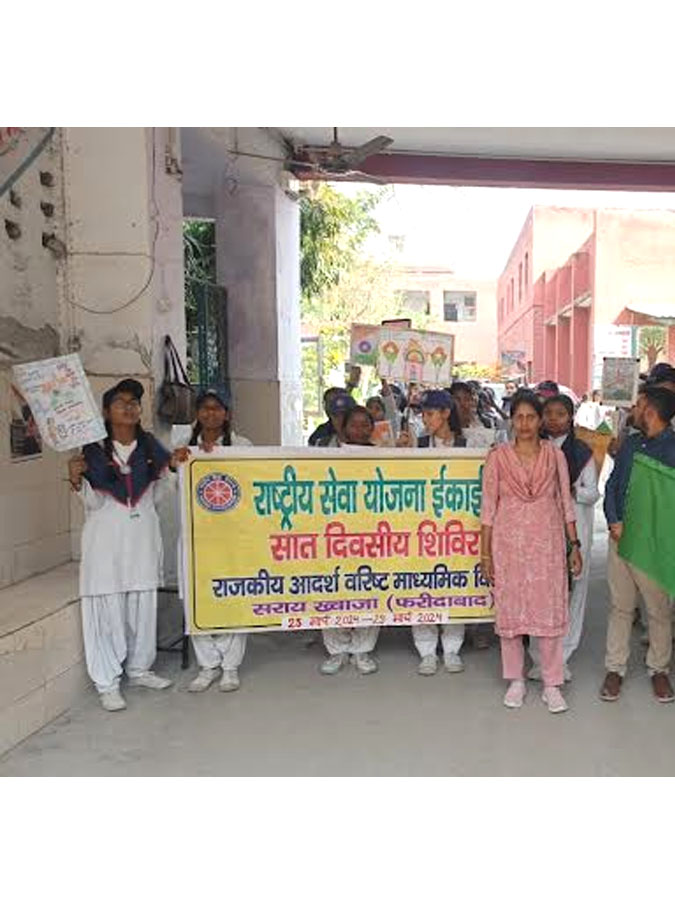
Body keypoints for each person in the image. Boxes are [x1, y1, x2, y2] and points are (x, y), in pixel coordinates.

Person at [67, 379, 183, 712]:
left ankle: (139, 669)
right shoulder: (91, 452)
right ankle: (107, 681)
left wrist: (172, 469)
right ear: (106, 411)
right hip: (105, 542)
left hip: (142, 538)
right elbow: (91, 502)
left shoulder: (151, 448)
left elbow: (161, 493)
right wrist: (76, 478)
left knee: (142, 604)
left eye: (134, 401)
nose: (129, 406)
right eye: (120, 402)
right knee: (107, 607)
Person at [480, 390, 582, 714]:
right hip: (508, 546)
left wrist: (574, 546)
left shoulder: (555, 456)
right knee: (512, 612)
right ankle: (516, 680)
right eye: (519, 417)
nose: (524, 423)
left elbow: (565, 503)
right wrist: (485, 554)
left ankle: (552, 683)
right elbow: (488, 508)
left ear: (540, 421)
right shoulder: (497, 457)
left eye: (531, 417)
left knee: (547, 611)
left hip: (547, 546)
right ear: (511, 420)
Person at [172, 388, 253, 693]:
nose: (210, 413)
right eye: (204, 408)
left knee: (233, 595)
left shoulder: (242, 446)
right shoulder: (183, 447)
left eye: (217, 408)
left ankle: (230, 666)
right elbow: (171, 487)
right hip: (196, 535)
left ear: (227, 413)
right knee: (198, 598)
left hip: (230, 536)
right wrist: (175, 464)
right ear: (197, 413)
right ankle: (207, 665)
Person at [600, 386, 675, 703]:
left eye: (640, 404)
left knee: (658, 611)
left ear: (651, 412)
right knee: (621, 607)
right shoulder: (630, 445)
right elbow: (613, 485)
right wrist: (614, 520)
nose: (634, 407)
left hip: (656, 545)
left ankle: (658, 670)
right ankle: (614, 669)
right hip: (622, 540)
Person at [397, 390, 468, 675]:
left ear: (446, 414)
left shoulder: (467, 445)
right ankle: (426, 650)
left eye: (429, 414)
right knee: (421, 586)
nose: (424, 419)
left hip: (455, 528)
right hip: (423, 529)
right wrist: (402, 454)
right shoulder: (419, 444)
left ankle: (452, 648)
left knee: (455, 585)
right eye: (422, 414)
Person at [529, 394, 599, 681]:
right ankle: (537, 658)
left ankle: (563, 658)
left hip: (574, 535)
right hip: (539, 533)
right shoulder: (532, 447)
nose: (553, 419)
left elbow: (593, 492)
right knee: (538, 596)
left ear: (571, 418)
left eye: (560, 413)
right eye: (549, 413)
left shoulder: (582, 452)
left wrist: (571, 492)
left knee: (574, 596)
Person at [320, 405, 379, 675]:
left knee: (369, 589)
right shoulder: (325, 455)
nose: (359, 430)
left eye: (365, 425)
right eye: (354, 425)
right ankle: (336, 650)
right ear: (343, 428)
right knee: (333, 590)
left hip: (371, 535)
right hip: (337, 535)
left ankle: (362, 650)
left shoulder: (386, 457)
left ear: (372, 428)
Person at [450, 382, 495, 448]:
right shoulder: (448, 427)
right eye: (458, 400)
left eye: (468, 399)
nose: (463, 404)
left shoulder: (486, 423)